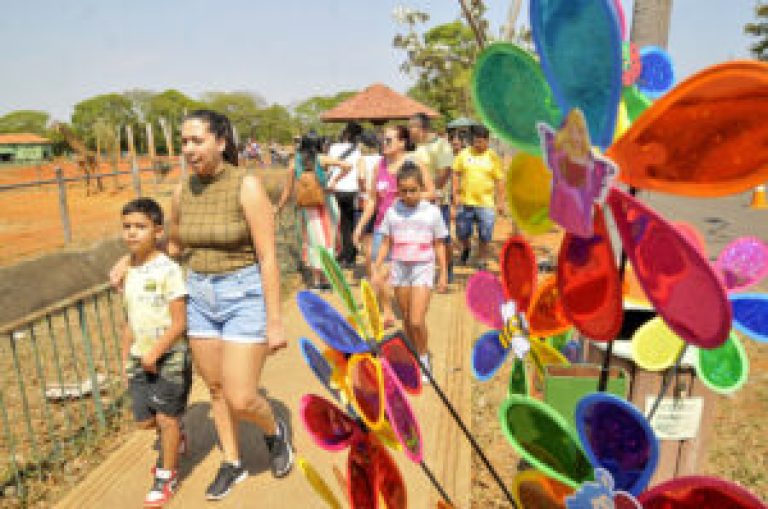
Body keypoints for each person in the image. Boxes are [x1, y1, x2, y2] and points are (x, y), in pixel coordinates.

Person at [112, 110, 293, 501]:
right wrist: (131, 259)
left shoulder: (246, 186)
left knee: (241, 395)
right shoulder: (182, 192)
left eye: (197, 141)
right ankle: (232, 462)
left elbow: (267, 257)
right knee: (216, 389)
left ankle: (274, 432)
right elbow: (174, 247)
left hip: (244, 294)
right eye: (184, 142)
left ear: (221, 142)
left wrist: (275, 320)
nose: (189, 150)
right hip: (200, 295)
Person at [119, 197, 190, 507]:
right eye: (127, 227)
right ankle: (176, 434)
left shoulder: (168, 270)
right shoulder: (129, 271)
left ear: (157, 231)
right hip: (139, 357)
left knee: (165, 418)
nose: (132, 233)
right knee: (145, 422)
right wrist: (126, 360)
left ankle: (166, 475)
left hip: (170, 357)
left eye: (140, 227)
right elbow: (129, 321)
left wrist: (156, 353)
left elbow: (180, 322)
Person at [353, 125, 435, 328]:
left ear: (402, 143)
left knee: (402, 275)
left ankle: (413, 308)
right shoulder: (378, 166)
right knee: (375, 269)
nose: (384, 143)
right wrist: (360, 227)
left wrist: (408, 196)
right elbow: (373, 200)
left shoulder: (414, 164)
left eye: (389, 140)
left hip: (409, 231)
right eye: (383, 139)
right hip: (383, 228)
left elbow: (431, 193)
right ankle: (388, 312)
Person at [374, 162, 447, 381]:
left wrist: (443, 273)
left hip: (423, 268)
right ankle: (412, 356)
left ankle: (423, 359)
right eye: (404, 191)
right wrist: (377, 266)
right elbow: (386, 242)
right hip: (400, 268)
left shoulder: (432, 212)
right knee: (406, 317)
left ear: (422, 187)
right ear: (398, 190)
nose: (408, 195)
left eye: (413, 190)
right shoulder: (392, 211)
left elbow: (439, 244)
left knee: (417, 320)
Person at [275, 132, 354, 289]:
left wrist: (278, 208)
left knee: (312, 241)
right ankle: (327, 280)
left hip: (307, 209)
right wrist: (333, 182)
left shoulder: (294, 162)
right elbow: (347, 166)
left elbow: (287, 189)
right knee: (327, 240)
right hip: (325, 204)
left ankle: (316, 281)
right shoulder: (322, 159)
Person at [409, 112, 455, 284]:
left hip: (437, 202)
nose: (409, 131)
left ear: (421, 128)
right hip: (418, 201)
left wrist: (430, 193)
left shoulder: (442, 145)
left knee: (442, 238)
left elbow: (444, 174)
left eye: (411, 127)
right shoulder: (417, 147)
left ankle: (447, 268)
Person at [452, 124, 505, 270]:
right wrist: (455, 194)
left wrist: (500, 202)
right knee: (462, 232)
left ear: (487, 141)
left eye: (482, 141)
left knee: (485, 233)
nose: (479, 144)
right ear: (472, 140)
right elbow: (456, 173)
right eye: (476, 141)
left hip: (486, 203)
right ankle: (466, 248)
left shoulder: (493, 157)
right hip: (465, 202)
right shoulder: (464, 154)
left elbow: (500, 180)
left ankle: (481, 258)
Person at [326, 122, 363, 268]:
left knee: (340, 224)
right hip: (353, 190)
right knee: (351, 223)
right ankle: (351, 255)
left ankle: (342, 254)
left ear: (346, 133)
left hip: (336, 189)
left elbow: (329, 167)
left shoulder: (334, 147)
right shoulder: (359, 150)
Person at [355, 130, 382, 279]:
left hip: (365, 201)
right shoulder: (381, 159)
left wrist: (362, 189)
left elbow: (360, 177)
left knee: (368, 244)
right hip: (379, 202)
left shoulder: (362, 160)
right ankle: (378, 272)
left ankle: (370, 274)